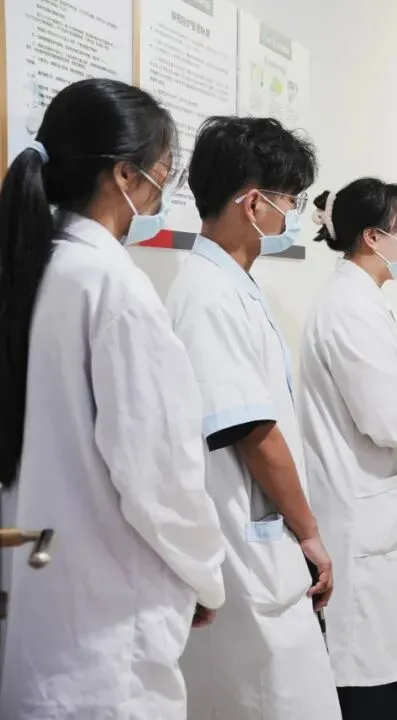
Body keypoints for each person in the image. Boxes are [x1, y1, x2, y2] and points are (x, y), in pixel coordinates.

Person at [0, 79, 225, 718]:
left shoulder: (31, 268)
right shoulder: (113, 290)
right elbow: (159, 476)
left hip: (39, 608)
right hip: (105, 638)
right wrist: (205, 574)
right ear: (125, 175)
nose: (159, 196)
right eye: (161, 177)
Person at [166, 116, 339, 720]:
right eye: (289, 200)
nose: (292, 214)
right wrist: (310, 532)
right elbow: (255, 435)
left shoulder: (230, 284)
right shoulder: (208, 296)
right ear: (253, 202)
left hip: (262, 544)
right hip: (248, 552)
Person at [297, 178, 397, 720]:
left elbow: (386, 389)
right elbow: (390, 421)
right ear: (372, 236)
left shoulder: (364, 300)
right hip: (366, 519)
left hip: (383, 511)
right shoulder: (348, 309)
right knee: (377, 682)